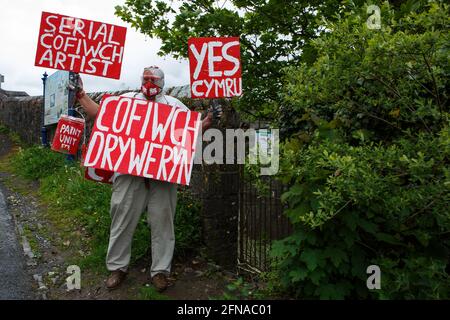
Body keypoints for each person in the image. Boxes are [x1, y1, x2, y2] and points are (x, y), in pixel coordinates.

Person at [75, 66, 220, 292]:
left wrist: (208, 120)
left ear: (162, 82)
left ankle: (160, 271)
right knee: (121, 216)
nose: (149, 83)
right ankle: (118, 267)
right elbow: (100, 115)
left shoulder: (174, 106)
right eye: (146, 78)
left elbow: (190, 132)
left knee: (163, 221)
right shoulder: (125, 101)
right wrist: (82, 95)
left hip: (163, 175)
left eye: (153, 79)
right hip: (129, 172)